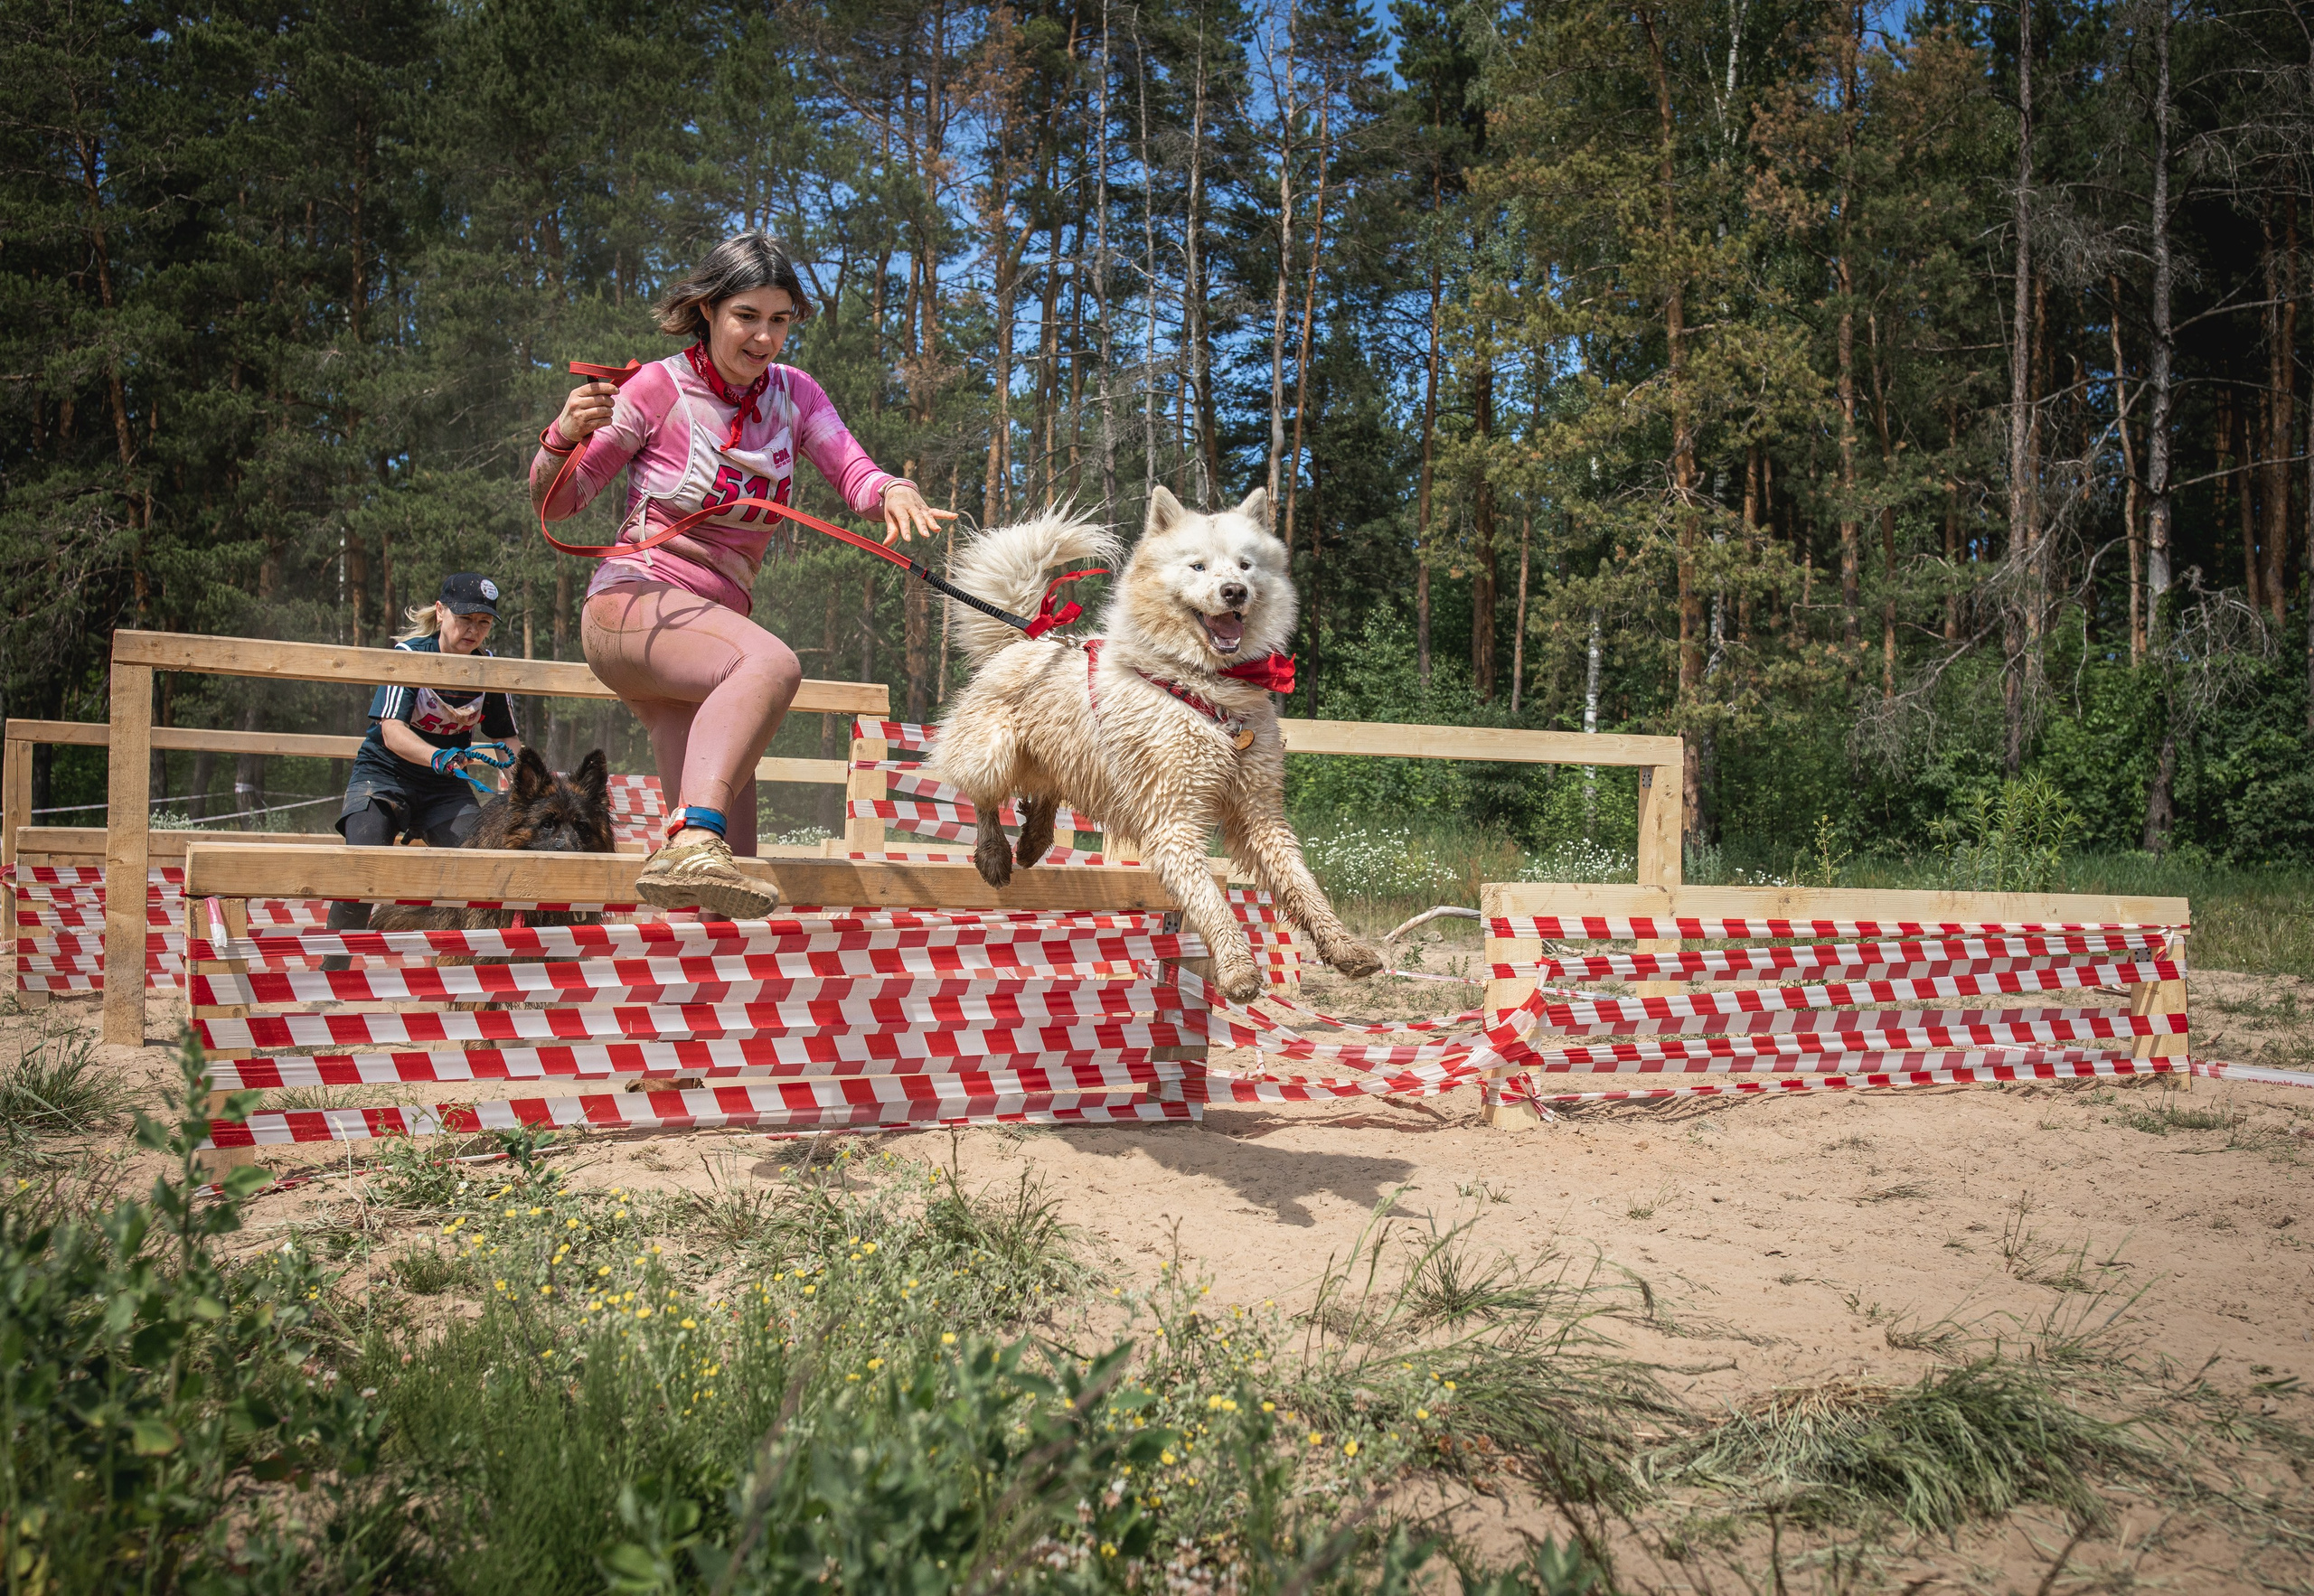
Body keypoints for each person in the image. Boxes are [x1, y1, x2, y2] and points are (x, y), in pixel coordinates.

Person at [531, 231, 949, 918]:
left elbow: (852, 467)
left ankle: (680, 1000)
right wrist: (560, 436)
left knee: (732, 881)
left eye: (780, 320)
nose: (764, 337)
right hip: (632, 606)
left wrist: (892, 490)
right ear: (709, 310)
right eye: (747, 316)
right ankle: (694, 835)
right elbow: (563, 502)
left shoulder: (796, 395)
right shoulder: (657, 388)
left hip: (705, 643)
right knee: (771, 667)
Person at [323, 573, 524, 962]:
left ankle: (459, 965)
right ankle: (333, 969)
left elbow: (507, 741)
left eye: (484, 623)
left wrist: (526, 785)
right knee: (362, 870)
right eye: (466, 618)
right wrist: (436, 755)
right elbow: (392, 730)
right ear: (441, 611)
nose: (474, 630)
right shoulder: (410, 655)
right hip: (382, 777)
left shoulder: (490, 670)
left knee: (478, 867)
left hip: (444, 788)